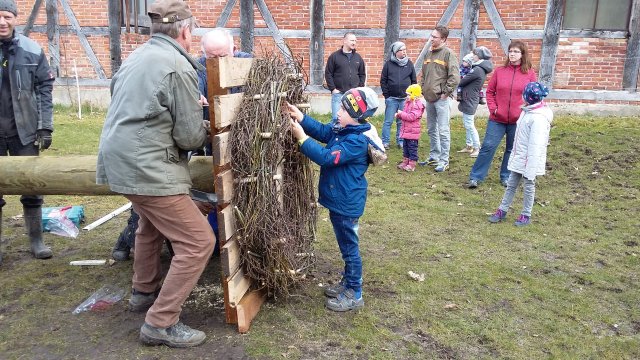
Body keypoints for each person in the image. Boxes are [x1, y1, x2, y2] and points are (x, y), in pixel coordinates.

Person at [96, 0, 214, 348]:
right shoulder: (178, 66)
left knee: (150, 224)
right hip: (146, 166)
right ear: (185, 31)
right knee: (198, 242)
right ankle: (160, 323)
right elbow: (189, 137)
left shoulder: (136, 57)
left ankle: (143, 291)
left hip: (119, 160)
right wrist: (208, 125)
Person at [111, 28, 248, 261]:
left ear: (234, 49)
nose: (217, 62)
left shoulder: (248, 65)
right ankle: (127, 239)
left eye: (223, 55)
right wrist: (195, 104)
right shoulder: (195, 69)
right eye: (211, 57)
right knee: (154, 195)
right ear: (204, 53)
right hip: (197, 143)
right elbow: (185, 118)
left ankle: (233, 238)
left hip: (237, 143)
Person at [286, 87, 379, 312]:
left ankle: (354, 293)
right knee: (345, 245)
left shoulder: (356, 141)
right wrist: (302, 118)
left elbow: (327, 158)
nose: (338, 111)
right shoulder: (343, 129)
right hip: (340, 201)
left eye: (344, 109)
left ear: (357, 116)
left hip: (347, 204)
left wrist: (302, 139)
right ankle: (347, 284)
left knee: (349, 248)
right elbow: (325, 132)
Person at [0, 0, 55, 265]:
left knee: (31, 187)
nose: (2, 22)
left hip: (24, 130)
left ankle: (36, 240)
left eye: (7, 16)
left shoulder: (32, 51)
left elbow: (45, 88)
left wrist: (45, 126)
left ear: (15, 19)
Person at [467, 40, 537, 189]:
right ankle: (476, 177)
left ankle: (506, 177)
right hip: (497, 119)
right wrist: (494, 109)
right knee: (488, 146)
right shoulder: (500, 71)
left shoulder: (529, 73)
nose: (512, 54)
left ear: (522, 54)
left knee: (511, 149)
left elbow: (533, 96)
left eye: (516, 52)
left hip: (518, 120)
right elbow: (490, 92)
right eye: (511, 51)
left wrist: (524, 111)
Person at [488, 82, 552, 226]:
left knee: (529, 186)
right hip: (520, 157)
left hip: (530, 160)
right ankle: (502, 210)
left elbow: (536, 145)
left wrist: (530, 166)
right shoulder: (527, 111)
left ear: (529, 98)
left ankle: (526, 214)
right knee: (511, 184)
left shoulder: (538, 118)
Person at [417, 25, 459, 172]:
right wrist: (422, 89)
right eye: (432, 36)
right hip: (429, 98)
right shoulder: (428, 54)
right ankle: (434, 155)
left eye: (435, 37)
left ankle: (444, 160)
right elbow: (424, 74)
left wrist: (445, 93)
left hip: (442, 99)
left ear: (443, 39)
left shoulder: (448, 54)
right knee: (431, 129)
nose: (432, 39)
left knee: (443, 130)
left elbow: (454, 77)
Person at [456, 46, 493, 158]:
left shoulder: (477, 70)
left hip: (470, 99)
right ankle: (469, 146)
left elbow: (462, 81)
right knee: (467, 124)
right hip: (469, 98)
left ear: (480, 56)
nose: (473, 56)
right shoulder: (478, 68)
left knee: (469, 124)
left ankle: (477, 147)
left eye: (475, 55)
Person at [380, 41, 416, 149]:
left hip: (404, 99)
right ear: (396, 52)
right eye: (402, 50)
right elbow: (383, 81)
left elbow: (414, 81)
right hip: (392, 99)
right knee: (388, 121)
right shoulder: (388, 64)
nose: (404, 52)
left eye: (405, 49)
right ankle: (385, 141)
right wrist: (387, 95)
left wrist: (411, 95)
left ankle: (400, 141)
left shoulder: (409, 64)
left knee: (401, 122)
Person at [325, 33, 366, 123]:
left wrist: (359, 88)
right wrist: (333, 89)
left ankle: (349, 136)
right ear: (344, 41)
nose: (354, 43)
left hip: (353, 95)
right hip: (338, 94)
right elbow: (328, 74)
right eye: (352, 40)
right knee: (336, 119)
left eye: (355, 41)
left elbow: (362, 74)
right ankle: (335, 136)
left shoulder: (358, 57)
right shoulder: (334, 56)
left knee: (353, 119)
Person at [395, 84, 425, 172]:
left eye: (408, 94)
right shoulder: (408, 103)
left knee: (412, 149)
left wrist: (401, 114)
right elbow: (405, 115)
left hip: (413, 132)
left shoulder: (417, 105)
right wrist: (399, 116)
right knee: (406, 148)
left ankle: (412, 164)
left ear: (414, 94)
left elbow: (411, 117)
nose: (407, 96)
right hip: (406, 131)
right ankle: (406, 162)